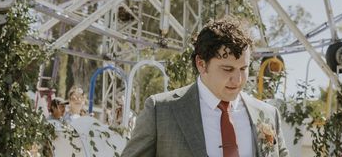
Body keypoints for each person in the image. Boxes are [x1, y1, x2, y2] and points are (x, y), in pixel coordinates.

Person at [121, 16, 289, 157]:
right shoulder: (161, 111)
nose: (238, 79)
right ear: (201, 64)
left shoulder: (268, 114)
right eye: (227, 69)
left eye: (243, 69)